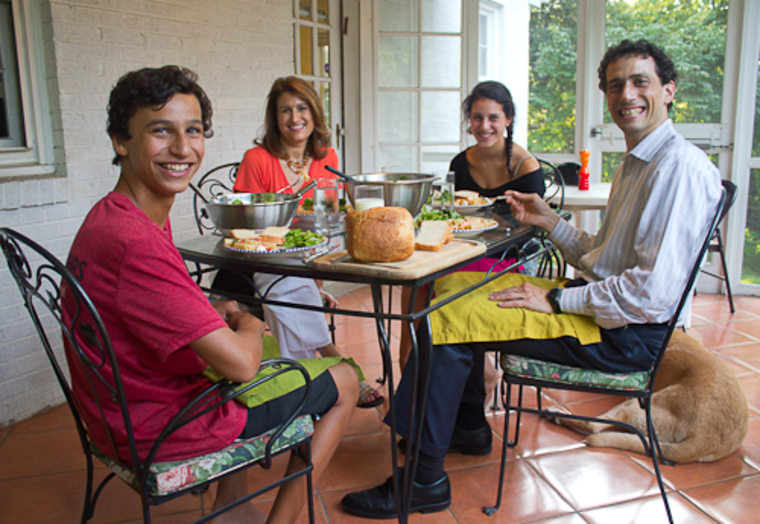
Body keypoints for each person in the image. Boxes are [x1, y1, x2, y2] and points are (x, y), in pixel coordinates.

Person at [341, 39, 722, 519]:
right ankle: (468, 426)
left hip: (625, 334)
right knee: (449, 289)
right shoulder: (637, 163)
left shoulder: (677, 170)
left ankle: (423, 480)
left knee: (441, 319)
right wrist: (550, 222)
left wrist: (560, 304)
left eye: (640, 82)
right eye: (616, 85)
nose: (627, 94)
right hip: (605, 310)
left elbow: (650, 295)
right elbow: (601, 259)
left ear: (668, 90)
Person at [63, 65, 359, 523]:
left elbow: (152, 304)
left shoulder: (113, 215)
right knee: (342, 380)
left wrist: (211, 310)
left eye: (194, 130)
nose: (182, 148)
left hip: (120, 409)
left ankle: (230, 508)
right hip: (163, 427)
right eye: (161, 131)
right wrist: (246, 321)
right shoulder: (135, 242)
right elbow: (240, 365)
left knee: (243, 343)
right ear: (120, 141)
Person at [226, 76, 384, 408]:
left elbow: (328, 222)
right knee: (283, 283)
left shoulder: (327, 157)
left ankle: (300, 386)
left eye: (302, 108)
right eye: (285, 110)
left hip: (310, 260)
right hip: (263, 259)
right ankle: (333, 356)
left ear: (314, 113)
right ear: (274, 117)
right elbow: (245, 223)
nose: (295, 118)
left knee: (289, 291)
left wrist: (315, 284)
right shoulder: (257, 158)